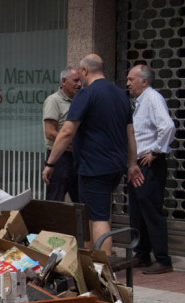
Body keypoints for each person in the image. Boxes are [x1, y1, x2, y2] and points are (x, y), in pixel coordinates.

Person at [42, 54, 143, 254]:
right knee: (90, 215)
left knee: (98, 218)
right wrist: (132, 164)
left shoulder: (86, 95)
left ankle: (102, 268)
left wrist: (50, 163)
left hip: (94, 167)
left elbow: (67, 131)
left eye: (81, 75)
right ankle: (89, 260)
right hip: (116, 165)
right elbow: (130, 133)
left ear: (85, 71)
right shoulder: (121, 95)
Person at [126, 63, 176, 274]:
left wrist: (155, 151)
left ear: (144, 81)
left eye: (131, 79)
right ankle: (142, 254)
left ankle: (162, 259)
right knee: (137, 211)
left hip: (149, 164)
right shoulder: (139, 102)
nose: (128, 83)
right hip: (136, 164)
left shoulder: (153, 98)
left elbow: (168, 126)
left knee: (151, 211)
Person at [42, 66, 83, 202]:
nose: (79, 84)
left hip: (77, 158)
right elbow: (50, 132)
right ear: (64, 81)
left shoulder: (80, 100)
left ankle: (82, 224)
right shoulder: (54, 100)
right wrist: (70, 141)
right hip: (60, 158)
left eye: (81, 81)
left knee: (81, 201)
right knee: (55, 199)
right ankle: (51, 224)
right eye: (76, 81)